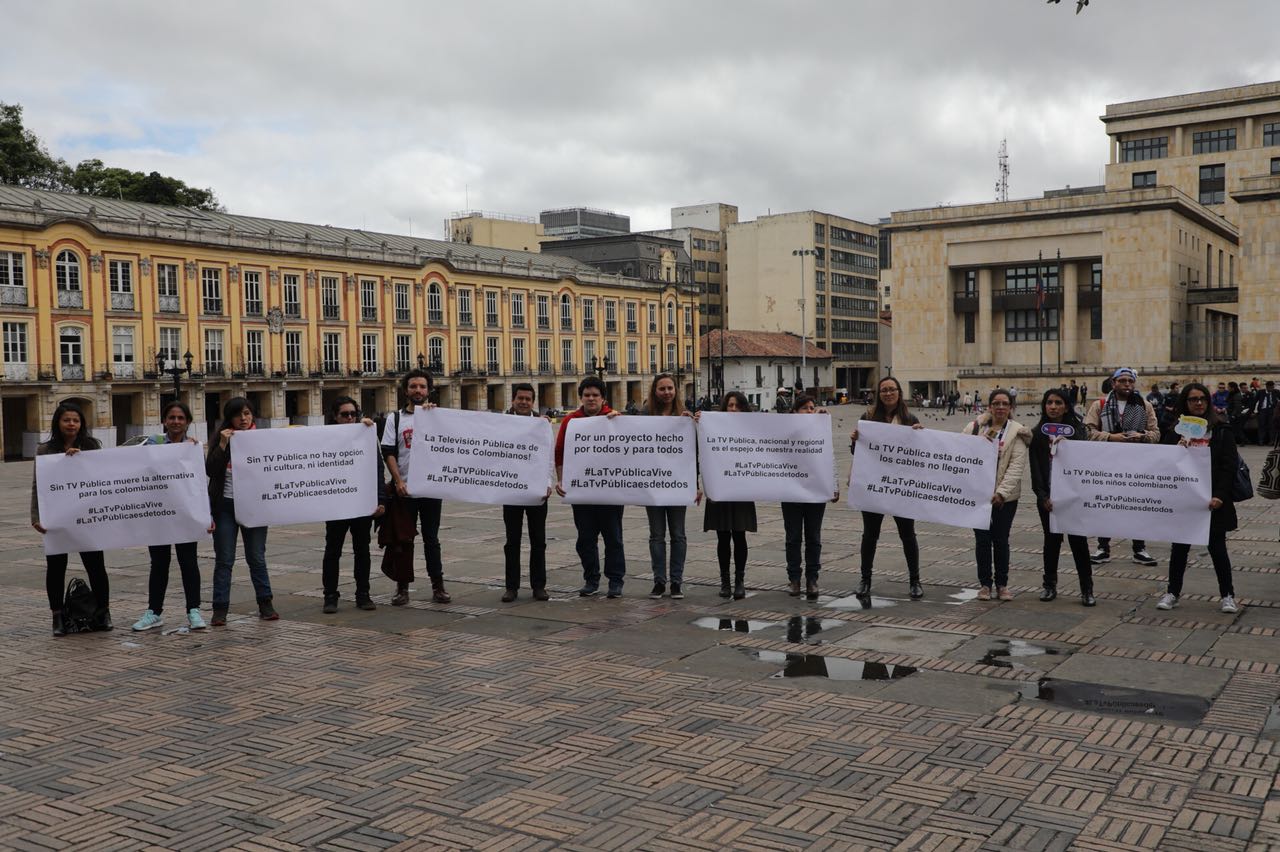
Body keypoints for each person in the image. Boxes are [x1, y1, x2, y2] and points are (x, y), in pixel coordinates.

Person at [1156, 383, 1239, 613]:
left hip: (1213, 500)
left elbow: (1228, 466)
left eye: (1202, 398)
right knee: (1179, 549)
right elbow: (1164, 463)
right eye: (1193, 399)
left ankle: (1228, 594)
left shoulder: (1221, 430)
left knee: (1217, 549)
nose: (1199, 403)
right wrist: (1177, 448)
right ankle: (1173, 592)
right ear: (1185, 403)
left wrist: (1220, 496)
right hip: (1184, 500)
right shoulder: (1175, 431)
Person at [31, 402, 111, 636]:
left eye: (76, 420)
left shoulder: (91, 446)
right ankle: (57, 616)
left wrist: (80, 459)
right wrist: (36, 516)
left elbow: (103, 476)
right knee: (56, 567)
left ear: (81, 424)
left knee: (96, 566)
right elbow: (38, 484)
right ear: (58, 422)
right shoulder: (45, 450)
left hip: (87, 516)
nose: (71, 424)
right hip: (56, 516)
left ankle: (103, 613)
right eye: (67, 420)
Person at [131, 401, 209, 632]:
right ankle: (154, 612)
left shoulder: (193, 447)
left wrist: (206, 515)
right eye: (171, 417)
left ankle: (193, 610)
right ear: (164, 421)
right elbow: (135, 469)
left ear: (188, 422)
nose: (176, 422)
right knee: (159, 564)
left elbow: (199, 484)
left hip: (185, 513)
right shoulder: (153, 443)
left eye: (180, 418)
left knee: (189, 562)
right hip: (158, 513)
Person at [850, 377, 925, 600]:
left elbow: (919, 454)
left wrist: (922, 436)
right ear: (878, 394)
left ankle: (915, 580)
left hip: (901, 487)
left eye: (892, 389)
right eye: (884, 390)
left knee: (908, 534)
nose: (888, 393)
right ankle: (865, 579)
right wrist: (855, 441)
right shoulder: (868, 417)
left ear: (899, 393)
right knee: (870, 535)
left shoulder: (910, 419)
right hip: (875, 485)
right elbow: (859, 453)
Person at [382, 369, 451, 605]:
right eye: (413, 386)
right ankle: (402, 588)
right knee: (404, 540)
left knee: (432, 539)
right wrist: (398, 481)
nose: (418, 391)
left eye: (422, 386)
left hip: (431, 489)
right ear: (405, 391)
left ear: (429, 390)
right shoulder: (395, 419)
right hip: (405, 490)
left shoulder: (438, 416)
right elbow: (388, 452)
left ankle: (438, 586)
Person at [207, 397, 277, 626]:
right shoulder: (222, 439)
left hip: (253, 505)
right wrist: (222, 446)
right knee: (225, 559)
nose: (243, 418)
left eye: (247, 413)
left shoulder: (263, 439)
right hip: (225, 506)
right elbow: (211, 469)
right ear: (230, 418)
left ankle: (265, 603)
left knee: (256, 557)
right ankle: (220, 609)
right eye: (238, 415)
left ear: (253, 415)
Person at [555, 376, 625, 598]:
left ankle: (615, 580)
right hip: (582, 491)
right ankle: (591, 579)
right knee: (585, 538)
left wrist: (619, 420)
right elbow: (559, 451)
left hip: (610, 492)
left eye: (595, 395)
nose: (591, 398)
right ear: (581, 398)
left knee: (613, 538)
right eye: (587, 395)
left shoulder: (613, 417)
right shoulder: (570, 421)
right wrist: (561, 479)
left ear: (603, 398)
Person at [1083, 368, 1160, 567]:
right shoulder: (1099, 405)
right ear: (1114, 383)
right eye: (1122, 380)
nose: (1127, 384)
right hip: (1107, 463)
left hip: (1137, 464)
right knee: (1106, 504)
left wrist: (1142, 436)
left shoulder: (1145, 405)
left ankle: (1139, 548)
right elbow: (1088, 431)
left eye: (1130, 381)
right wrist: (1111, 437)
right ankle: (1103, 547)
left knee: (1137, 505)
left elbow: (1155, 433)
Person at [1029, 389, 1095, 606]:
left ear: (1066, 407)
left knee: (1079, 543)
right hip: (1048, 499)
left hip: (1073, 497)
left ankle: (1087, 589)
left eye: (1058, 403)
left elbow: (1086, 465)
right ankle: (1049, 585)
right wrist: (1042, 496)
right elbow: (1036, 468)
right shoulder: (1038, 434)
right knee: (1051, 542)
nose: (1053, 407)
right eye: (1049, 402)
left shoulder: (1077, 432)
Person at [962, 389, 1030, 601]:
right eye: (996, 403)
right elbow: (958, 453)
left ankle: (1002, 584)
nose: (1000, 407)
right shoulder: (974, 428)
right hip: (979, 495)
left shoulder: (1017, 432)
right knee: (982, 540)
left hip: (1006, 498)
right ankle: (984, 584)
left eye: (1004, 404)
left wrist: (1001, 493)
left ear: (1011, 408)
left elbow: (1016, 467)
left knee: (1001, 540)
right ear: (989, 406)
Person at [321, 397, 385, 613]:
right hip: (337, 503)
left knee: (362, 550)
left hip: (361, 502)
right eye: (344, 414)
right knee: (332, 550)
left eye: (353, 414)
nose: (350, 418)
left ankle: (363, 594)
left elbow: (377, 468)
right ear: (335, 417)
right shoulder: (325, 438)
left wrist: (380, 500)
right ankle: (330, 596)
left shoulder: (366, 435)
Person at [642, 374, 698, 600]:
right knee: (656, 536)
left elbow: (693, 454)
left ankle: (676, 582)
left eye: (670, 388)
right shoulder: (644, 416)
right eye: (662, 389)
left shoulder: (684, 416)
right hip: (653, 484)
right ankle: (658, 582)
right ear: (654, 391)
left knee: (678, 535)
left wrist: (695, 424)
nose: (666, 392)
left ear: (676, 390)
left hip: (677, 485)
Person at [780, 395, 840, 601]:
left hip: (815, 492)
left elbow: (829, 457)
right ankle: (794, 578)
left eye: (812, 408)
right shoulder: (786, 430)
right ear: (795, 411)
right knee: (793, 538)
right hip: (790, 492)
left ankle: (812, 579)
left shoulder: (820, 430)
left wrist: (834, 485)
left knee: (814, 537)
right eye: (804, 408)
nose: (809, 411)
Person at [699, 392, 757, 599]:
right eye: (729, 405)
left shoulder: (751, 428)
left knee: (739, 535)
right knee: (723, 537)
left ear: (743, 408)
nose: (733, 409)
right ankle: (725, 581)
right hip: (720, 487)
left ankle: (740, 581)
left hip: (741, 488)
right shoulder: (714, 426)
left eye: (737, 405)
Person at [502, 383, 553, 602]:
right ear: (513, 400)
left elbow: (548, 456)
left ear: (533, 402)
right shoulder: (501, 423)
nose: (524, 402)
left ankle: (538, 586)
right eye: (520, 398)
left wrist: (548, 482)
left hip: (536, 489)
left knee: (538, 540)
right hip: (511, 489)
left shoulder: (542, 424)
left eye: (528, 399)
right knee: (512, 541)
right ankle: (511, 587)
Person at [1256, 380, 1278, 446]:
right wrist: (1251, 412)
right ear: (1267, 387)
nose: (1272, 389)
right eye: (1270, 388)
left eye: (1273, 387)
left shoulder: (1276, 392)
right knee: (1261, 425)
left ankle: (1271, 441)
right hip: (1263, 410)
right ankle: (1261, 440)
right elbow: (1254, 402)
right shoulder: (1260, 392)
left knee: (1271, 426)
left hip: (1272, 410)